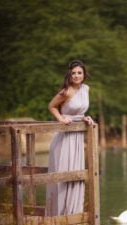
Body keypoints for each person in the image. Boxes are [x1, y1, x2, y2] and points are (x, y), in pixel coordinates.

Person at [46, 60, 94, 216]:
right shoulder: (66, 91)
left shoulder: (86, 89)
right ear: (70, 74)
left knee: (76, 173)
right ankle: (59, 215)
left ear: (84, 74)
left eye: (79, 73)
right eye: (73, 73)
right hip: (64, 137)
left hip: (77, 137)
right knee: (64, 173)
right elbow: (51, 106)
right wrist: (61, 119)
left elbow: (80, 111)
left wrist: (86, 118)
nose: (76, 76)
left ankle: (74, 213)